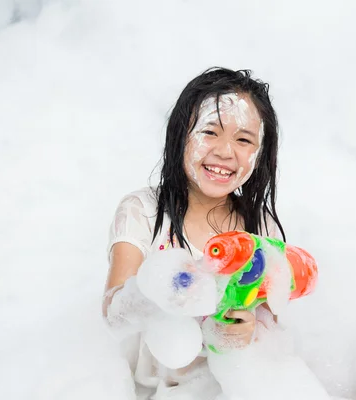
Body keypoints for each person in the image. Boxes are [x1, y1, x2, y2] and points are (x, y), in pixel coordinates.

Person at [103, 67, 287, 400]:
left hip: (226, 387)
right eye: (210, 132)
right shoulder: (142, 211)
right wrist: (163, 286)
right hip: (147, 390)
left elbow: (271, 323)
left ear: (259, 155)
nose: (225, 151)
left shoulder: (260, 228)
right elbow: (113, 313)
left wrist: (247, 333)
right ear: (180, 135)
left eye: (243, 139)